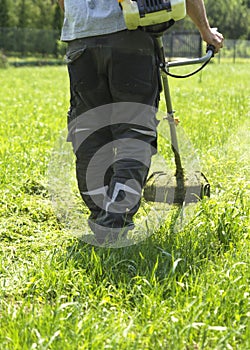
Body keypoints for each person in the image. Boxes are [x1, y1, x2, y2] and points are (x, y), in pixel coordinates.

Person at [58, 0, 223, 244]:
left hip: (80, 39)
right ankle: (113, 221)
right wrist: (205, 31)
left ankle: (101, 214)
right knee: (133, 131)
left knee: (91, 133)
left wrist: (84, 22)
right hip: (129, 35)